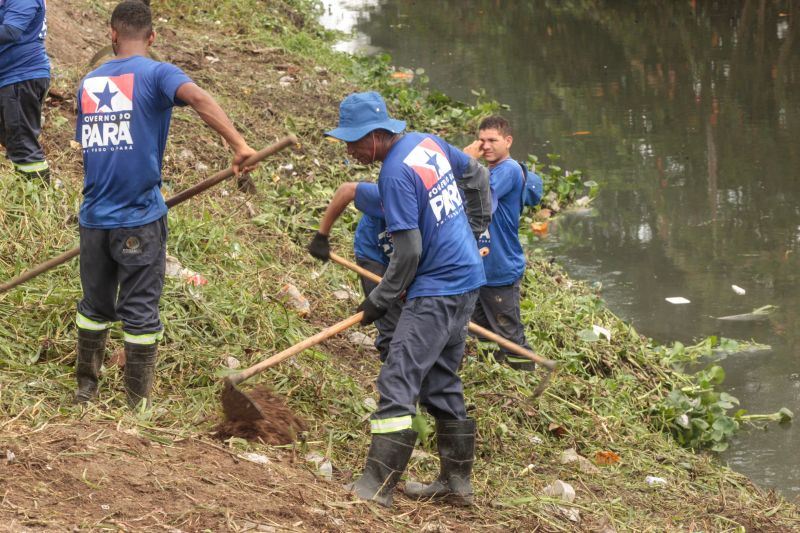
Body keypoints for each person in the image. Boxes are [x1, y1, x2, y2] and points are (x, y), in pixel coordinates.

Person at [73, 1, 255, 407]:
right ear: (152, 38)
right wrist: (240, 145)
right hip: (138, 216)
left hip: (94, 217)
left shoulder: (88, 82)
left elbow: (90, 145)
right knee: (139, 312)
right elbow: (200, 99)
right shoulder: (159, 72)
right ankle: (136, 405)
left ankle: (85, 391)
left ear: (112, 34)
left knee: (94, 305)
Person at [324, 91, 492, 508]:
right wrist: (473, 230)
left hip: (437, 291)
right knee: (439, 378)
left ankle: (376, 487)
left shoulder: (394, 174)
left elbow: (409, 251)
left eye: (354, 142)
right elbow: (477, 176)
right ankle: (456, 484)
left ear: (376, 135)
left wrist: (379, 299)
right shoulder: (427, 142)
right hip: (468, 280)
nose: (350, 151)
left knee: (398, 377)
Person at [463, 115, 535, 371]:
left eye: (492, 140)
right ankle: (498, 374)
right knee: (481, 330)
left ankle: (526, 374)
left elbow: (482, 198)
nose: (486, 146)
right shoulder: (487, 171)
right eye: (481, 141)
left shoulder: (509, 170)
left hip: (500, 270)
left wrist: (466, 161)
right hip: (479, 269)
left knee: (509, 333)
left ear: (508, 141)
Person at [307, 181, 401, 361]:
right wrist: (321, 236)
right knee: (389, 317)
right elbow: (347, 190)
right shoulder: (390, 195)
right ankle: (394, 366)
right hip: (374, 253)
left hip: (406, 259)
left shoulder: (439, 218)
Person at [0, 0, 51, 181]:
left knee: (22, 144)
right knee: (13, 140)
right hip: (11, 78)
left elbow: (11, 31)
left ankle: (38, 194)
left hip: (21, 77)